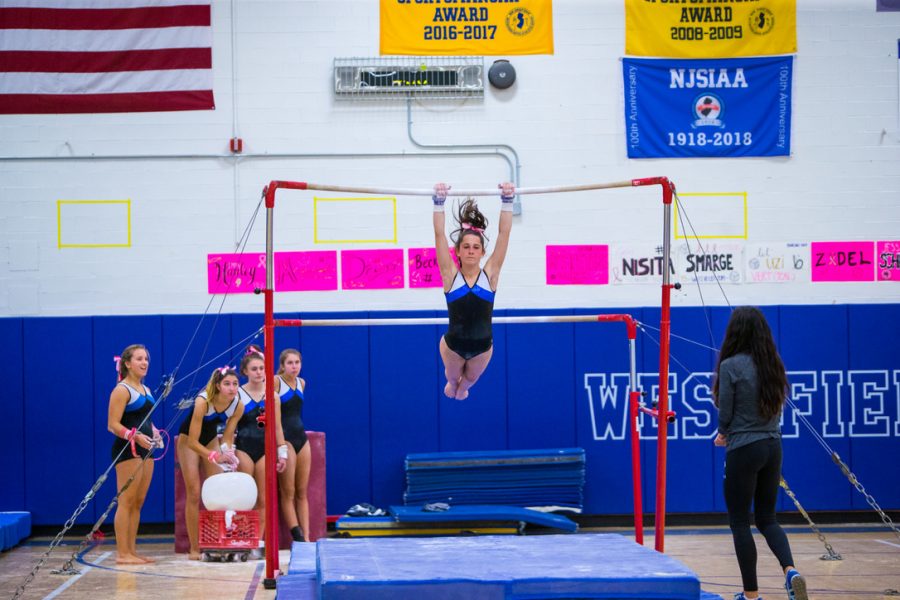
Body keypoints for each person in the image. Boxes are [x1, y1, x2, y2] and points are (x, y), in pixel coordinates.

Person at [713, 307, 807, 600]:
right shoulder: (773, 365)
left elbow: (726, 413)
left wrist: (722, 433)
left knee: (740, 521)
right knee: (768, 519)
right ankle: (790, 570)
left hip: (744, 448)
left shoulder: (730, 366)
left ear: (735, 332)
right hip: (772, 446)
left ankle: (751, 595)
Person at [432, 181, 514, 400]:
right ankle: (453, 385)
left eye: (476, 247)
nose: (471, 251)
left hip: (482, 348)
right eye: (466, 247)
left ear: (482, 252)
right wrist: (438, 202)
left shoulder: (491, 275)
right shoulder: (450, 276)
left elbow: (503, 235)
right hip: (453, 346)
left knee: (468, 381)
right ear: (457, 251)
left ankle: (461, 388)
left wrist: (507, 200)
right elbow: (439, 236)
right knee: (452, 378)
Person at [176, 366, 244, 560]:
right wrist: (213, 456)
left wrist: (228, 452)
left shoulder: (237, 405)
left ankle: (216, 540)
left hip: (211, 439)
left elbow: (228, 435)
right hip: (189, 440)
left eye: (235, 384)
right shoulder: (203, 402)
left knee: (216, 491)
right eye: (227, 384)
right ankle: (194, 547)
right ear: (217, 385)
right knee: (194, 492)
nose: (232, 388)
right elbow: (193, 442)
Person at [107, 344, 162, 564]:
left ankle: (131, 551)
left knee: (138, 502)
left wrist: (154, 431)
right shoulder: (122, 389)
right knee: (126, 502)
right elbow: (112, 424)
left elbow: (145, 419)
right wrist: (134, 436)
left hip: (146, 448)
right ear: (127, 364)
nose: (144, 363)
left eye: (146, 359)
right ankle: (122, 554)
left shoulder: (146, 390)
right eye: (139, 359)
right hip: (126, 450)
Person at [235, 346, 287, 558]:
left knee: (264, 499)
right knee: (246, 498)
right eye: (254, 368)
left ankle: (257, 540)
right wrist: (227, 450)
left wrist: (282, 451)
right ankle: (243, 538)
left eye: (262, 368)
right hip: (244, 447)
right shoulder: (237, 393)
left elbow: (277, 426)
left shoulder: (272, 395)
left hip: (265, 449)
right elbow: (230, 425)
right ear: (245, 371)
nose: (258, 372)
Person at [275, 348, 311, 542]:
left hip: (301, 438)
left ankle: (307, 538)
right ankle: (296, 535)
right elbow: (272, 416)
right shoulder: (275, 382)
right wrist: (279, 445)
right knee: (288, 492)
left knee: (302, 491)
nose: (294, 366)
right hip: (286, 440)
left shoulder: (302, 383)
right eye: (290, 363)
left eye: (297, 363)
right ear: (282, 365)